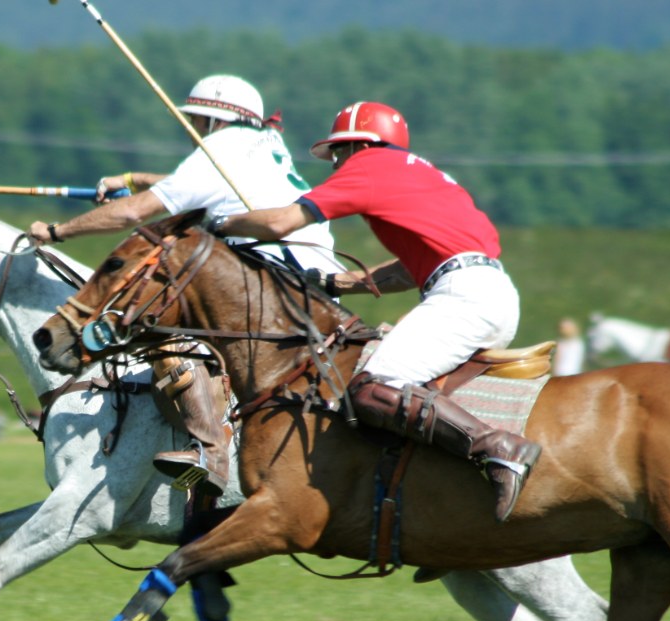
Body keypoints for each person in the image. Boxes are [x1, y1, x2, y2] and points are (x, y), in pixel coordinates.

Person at [208, 101, 540, 522]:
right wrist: (336, 282)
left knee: (372, 388)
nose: (336, 166)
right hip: (488, 290)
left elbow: (281, 223)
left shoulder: (370, 166)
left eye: (339, 153)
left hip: (463, 297)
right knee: (404, 394)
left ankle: (497, 447)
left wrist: (219, 224)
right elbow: (412, 267)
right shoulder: (425, 175)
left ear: (362, 144)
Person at [29, 74, 341, 498]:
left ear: (212, 119)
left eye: (194, 119)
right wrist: (135, 177)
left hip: (270, 276)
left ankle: (209, 451)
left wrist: (56, 230)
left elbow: (132, 215)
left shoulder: (220, 147)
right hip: (314, 279)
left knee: (161, 329)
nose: (192, 128)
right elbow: (193, 184)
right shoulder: (262, 142)